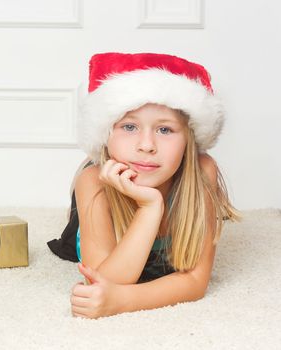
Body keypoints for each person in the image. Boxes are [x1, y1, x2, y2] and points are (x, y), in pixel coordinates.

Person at [47, 52, 240, 319]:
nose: (146, 145)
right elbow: (103, 282)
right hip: (102, 215)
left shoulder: (202, 170)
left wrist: (123, 301)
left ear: (188, 141)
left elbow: (196, 281)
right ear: (106, 135)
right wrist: (149, 209)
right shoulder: (93, 182)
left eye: (164, 130)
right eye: (129, 127)